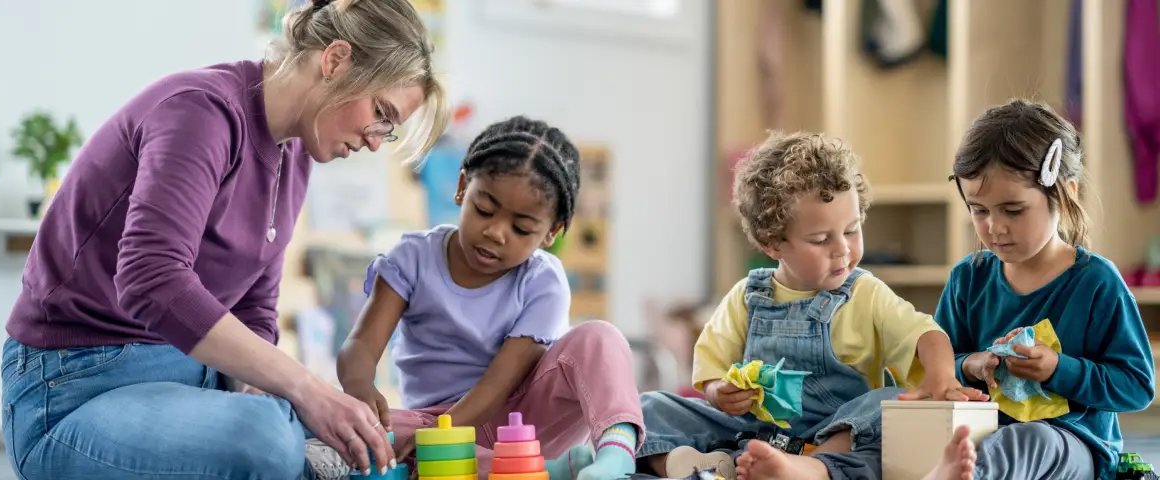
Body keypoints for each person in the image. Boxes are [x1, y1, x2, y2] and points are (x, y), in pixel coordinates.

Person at [0, 0, 448, 478]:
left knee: (384, 432)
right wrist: (305, 391)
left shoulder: (294, 153)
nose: (375, 140)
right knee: (267, 440)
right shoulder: (201, 111)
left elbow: (253, 309)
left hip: (190, 378)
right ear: (335, 60)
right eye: (381, 113)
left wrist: (263, 390)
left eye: (389, 130)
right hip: (76, 388)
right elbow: (152, 280)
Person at [636, 131, 986, 480]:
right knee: (648, 407)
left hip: (834, 435)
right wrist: (719, 393)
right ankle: (687, 464)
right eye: (821, 239)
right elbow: (710, 367)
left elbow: (927, 335)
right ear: (772, 242)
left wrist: (941, 379)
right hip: (753, 431)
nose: (842, 250)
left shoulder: (866, 293)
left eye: (852, 230)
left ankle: (802, 468)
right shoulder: (748, 296)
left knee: (887, 401)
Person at [321, 115, 645, 480]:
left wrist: (441, 434)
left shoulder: (543, 281)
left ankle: (616, 452)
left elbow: (498, 383)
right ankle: (547, 474)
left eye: (521, 228)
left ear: (550, 232)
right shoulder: (411, 258)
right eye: (484, 210)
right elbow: (361, 346)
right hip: (432, 422)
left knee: (599, 337)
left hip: (526, 422)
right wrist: (361, 388)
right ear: (462, 187)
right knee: (336, 424)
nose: (495, 232)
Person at [932, 99, 1155, 480]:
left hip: (1072, 443)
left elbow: (1135, 386)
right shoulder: (968, 278)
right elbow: (933, 364)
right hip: (980, 435)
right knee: (880, 406)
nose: (993, 227)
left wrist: (1057, 369)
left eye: (1013, 210)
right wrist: (970, 364)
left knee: (1028, 441)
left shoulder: (1097, 282)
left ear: (1065, 194)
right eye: (979, 210)